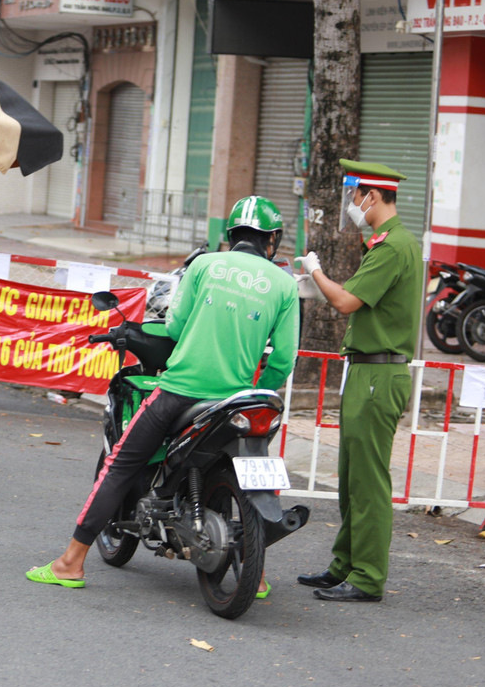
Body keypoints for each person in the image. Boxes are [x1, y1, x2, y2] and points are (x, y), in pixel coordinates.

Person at [26, 196, 300, 589]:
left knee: (120, 466)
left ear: (232, 234)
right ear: (271, 240)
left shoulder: (205, 265)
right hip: (237, 402)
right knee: (250, 473)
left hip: (180, 391)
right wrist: (256, 390)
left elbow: (174, 327)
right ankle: (254, 578)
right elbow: (284, 360)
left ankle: (70, 563)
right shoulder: (284, 284)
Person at [294, 160, 422, 603]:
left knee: (367, 483)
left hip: (378, 373)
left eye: (355, 196)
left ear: (373, 196)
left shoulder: (393, 245)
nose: (353, 204)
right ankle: (343, 566)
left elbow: (347, 301)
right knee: (351, 479)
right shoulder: (387, 243)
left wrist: (314, 272)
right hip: (366, 369)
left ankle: (367, 578)